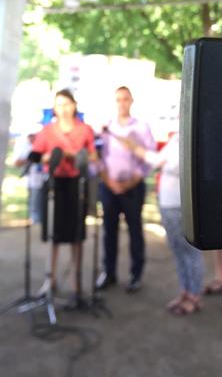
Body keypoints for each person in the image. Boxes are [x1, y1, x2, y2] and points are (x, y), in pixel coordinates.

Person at [119, 131, 204, 314]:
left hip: (180, 204)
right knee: (177, 250)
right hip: (168, 203)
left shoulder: (192, 136)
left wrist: (139, 151)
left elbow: (177, 165)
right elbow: (160, 160)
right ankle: (186, 291)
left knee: (190, 251)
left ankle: (194, 295)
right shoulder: (177, 137)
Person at [31, 89, 96, 303]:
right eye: (59, 105)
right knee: (53, 236)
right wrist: (48, 157)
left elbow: (93, 155)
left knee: (77, 235)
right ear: (54, 108)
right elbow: (35, 155)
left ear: (74, 105)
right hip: (54, 186)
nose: (63, 109)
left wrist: (78, 156)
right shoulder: (47, 131)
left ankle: (77, 282)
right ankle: (50, 279)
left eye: (67, 104)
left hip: (77, 186)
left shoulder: (85, 129)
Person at [96, 86, 155, 293]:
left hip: (133, 188)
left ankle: (135, 275)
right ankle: (109, 272)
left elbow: (150, 157)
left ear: (131, 101)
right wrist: (108, 180)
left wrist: (132, 181)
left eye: (125, 99)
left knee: (134, 230)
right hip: (109, 187)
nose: (122, 103)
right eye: (118, 100)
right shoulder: (106, 129)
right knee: (109, 231)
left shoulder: (141, 127)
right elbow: (98, 158)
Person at [14, 130, 45, 224]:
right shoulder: (23, 145)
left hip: (43, 177)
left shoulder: (41, 144)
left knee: (41, 198)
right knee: (34, 198)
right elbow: (17, 162)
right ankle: (35, 218)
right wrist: (30, 159)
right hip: (32, 177)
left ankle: (40, 218)